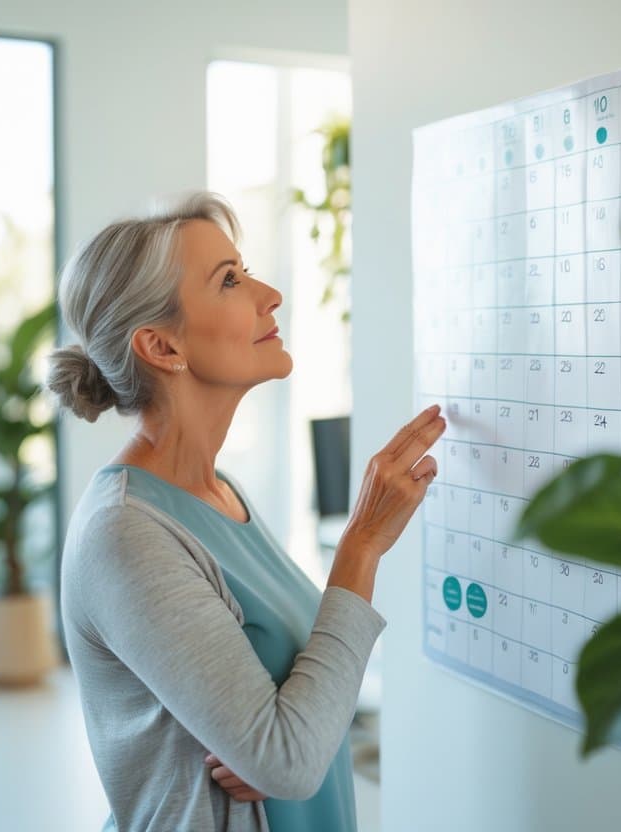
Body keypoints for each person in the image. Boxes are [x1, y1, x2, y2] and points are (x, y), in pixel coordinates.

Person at [48, 192, 444, 832]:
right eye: (229, 281)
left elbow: (290, 724)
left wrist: (282, 729)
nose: (270, 295)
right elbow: (290, 758)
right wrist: (362, 545)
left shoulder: (218, 492)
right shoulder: (126, 533)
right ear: (161, 345)